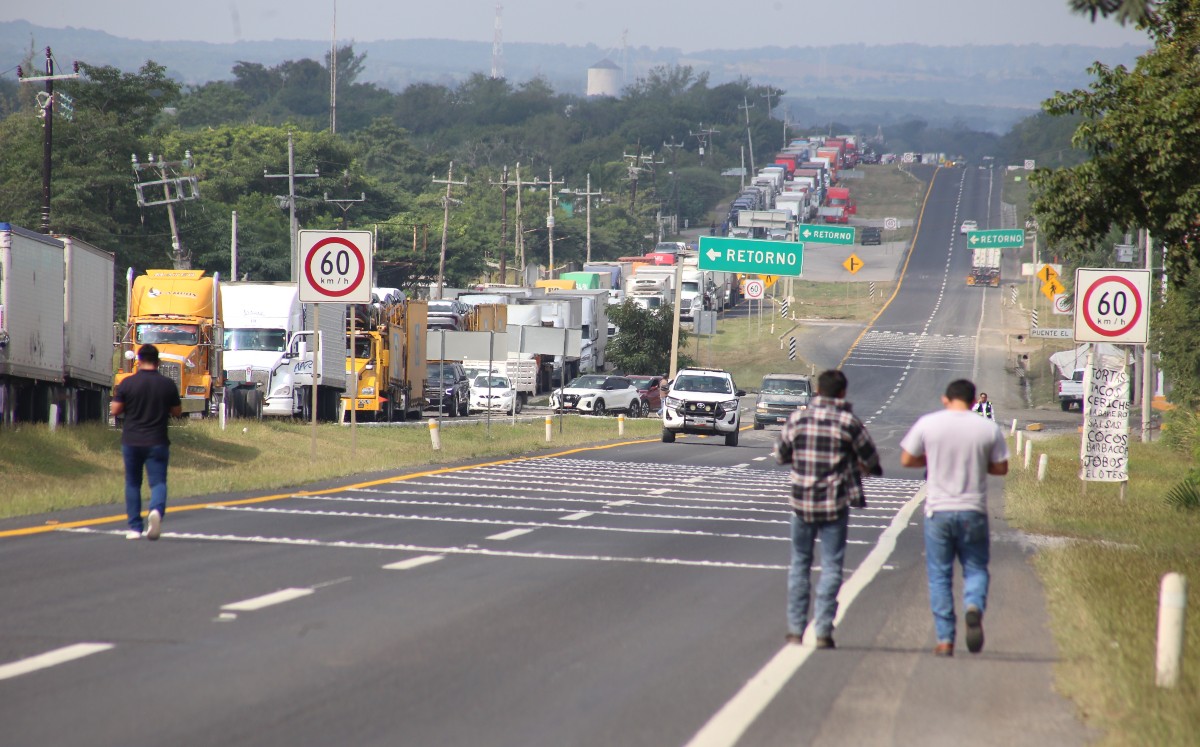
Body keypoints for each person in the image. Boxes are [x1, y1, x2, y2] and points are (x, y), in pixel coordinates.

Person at [900, 379, 1009, 657]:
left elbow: (906, 460)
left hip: (939, 511)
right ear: (975, 402)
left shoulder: (929, 423)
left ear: (945, 399)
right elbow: (1001, 468)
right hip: (973, 510)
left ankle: (945, 639)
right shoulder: (986, 427)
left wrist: (932, 459)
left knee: (939, 574)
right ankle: (973, 605)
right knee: (975, 567)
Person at [775, 369, 882, 649]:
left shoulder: (798, 418)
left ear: (818, 392)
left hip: (801, 503)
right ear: (843, 393)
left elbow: (780, 454)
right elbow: (871, 460)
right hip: (835, 503)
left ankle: (795, 629)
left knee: (800, 563)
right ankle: (823, 630)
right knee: (832, 565)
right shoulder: (849, 422)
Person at [111, 344, 182, 541]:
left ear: (138, 361)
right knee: (158, 482)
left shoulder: (128, 383)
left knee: (133, 483)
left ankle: (135, 527)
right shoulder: (167, 384)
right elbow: (177, 412)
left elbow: (115, 410)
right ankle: (156, 511)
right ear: (158, 362)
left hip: (132, 440)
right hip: (158, 440)